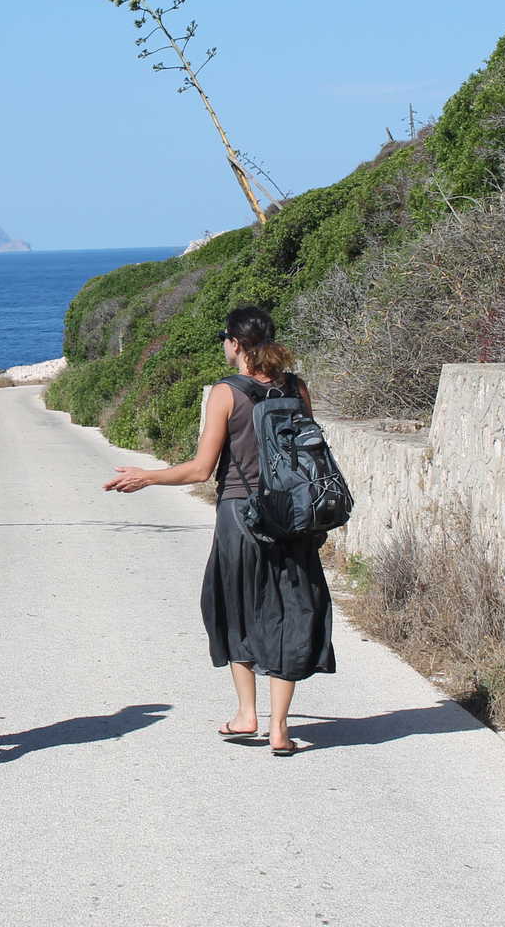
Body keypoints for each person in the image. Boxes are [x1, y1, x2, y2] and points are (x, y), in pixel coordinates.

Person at [103, 306, 335, 755]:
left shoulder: (226, 394)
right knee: (288, 612)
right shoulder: (297, 388)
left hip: (240, 515)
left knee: (236, 607)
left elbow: (201, 469)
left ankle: (247, 714)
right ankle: (280, 729)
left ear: (235, 345)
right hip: (294, 517)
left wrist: (146, 476)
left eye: (225, 340)